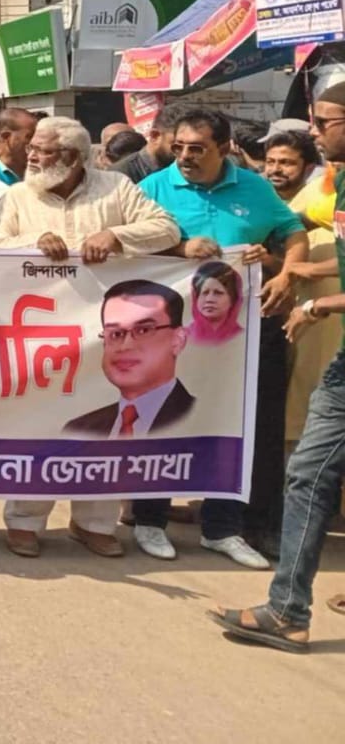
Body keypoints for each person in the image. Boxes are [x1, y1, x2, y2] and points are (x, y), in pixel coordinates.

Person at [0, 116, 180, 558]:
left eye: (43, 150)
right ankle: (25, 522)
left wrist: (115, 235)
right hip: (44, 337)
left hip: (108, 337)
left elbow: (166, 230)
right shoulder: (18, 196)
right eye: (32, 148)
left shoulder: (116, 189)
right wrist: (34, 241)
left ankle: (93, 523)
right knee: (41, 426)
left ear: (72, 157)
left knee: (106, 427)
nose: (32, 156)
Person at [137, 108, 307, 567]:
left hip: (242, 331)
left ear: (225, 148)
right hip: (173, 329)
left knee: (238, 422)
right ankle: (150, 520)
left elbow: (293, 234)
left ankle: (224, 527)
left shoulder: (255, 187)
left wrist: (285, 272)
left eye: (197, 149)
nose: (185, 157)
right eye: (179, 148)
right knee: (166, 416)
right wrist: (179, 248)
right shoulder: (153, 187)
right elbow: (128, 244)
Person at [209, 82, 345, 652]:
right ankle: (288, 610)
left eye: (324, 121)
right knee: (308, 475)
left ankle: (288, 611)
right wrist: (296, 272)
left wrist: (317, 303)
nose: (313, 130)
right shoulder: (337, 185)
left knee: (307, 475)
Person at [262, 129, 340, 451]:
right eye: (270, 161)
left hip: (326, 316)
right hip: (300, 317)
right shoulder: (291, 204)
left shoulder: (322, 197)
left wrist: (306, 269)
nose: (276, 169)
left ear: (309, 167)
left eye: (286, 162)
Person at [64, 281, 196, 436]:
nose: (125, 346)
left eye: (143, 330)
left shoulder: (208, 418)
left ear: (178, 340)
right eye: (116, 333)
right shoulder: (79, 429)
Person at [114, 103, 187, 183]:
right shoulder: (120, 176)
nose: (186, 153)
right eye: (178, 146)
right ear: (155, 136)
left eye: (194, 146)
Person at [189, 260, 245, 344]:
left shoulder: (244, 336)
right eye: (205, 292)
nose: (209, 299)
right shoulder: (181, 337)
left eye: (218, 293)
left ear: (233, 299)